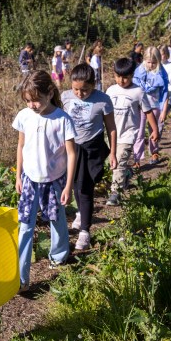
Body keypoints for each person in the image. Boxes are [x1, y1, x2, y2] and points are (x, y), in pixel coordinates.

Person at [13, 70, 77, 292]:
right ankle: (21, 278)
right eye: (28, 101)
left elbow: (71, 154)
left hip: (54, 181)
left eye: (36, 100)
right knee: (25, 226)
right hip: (30, 180)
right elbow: (21, 146)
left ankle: (58, 257)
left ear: (50, 93)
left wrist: (68, 185)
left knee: (57, 220)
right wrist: (18, 175)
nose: (32, 105)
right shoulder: (24, 116)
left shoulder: (62, 119)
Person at [61, 64, 116, 249]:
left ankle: (85, 231)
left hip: (91, 148)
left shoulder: (103, 100)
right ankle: (81, 213)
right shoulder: (65, 97)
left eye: (85, 89)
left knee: (85, 188)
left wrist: (114, 153)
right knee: (76, 184)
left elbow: (111, 128)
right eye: (76, 89)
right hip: (71, 148)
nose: (80, 93)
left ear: (94, 84)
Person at [106, 58, 158, 207]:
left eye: (125, 77)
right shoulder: (110, 90)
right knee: (111, 161)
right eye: (118, 76)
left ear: (132, 76)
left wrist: (155, 130)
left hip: (128, 134)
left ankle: (116, 192)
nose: (121, 80)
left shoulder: (138, 92)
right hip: (111, 134)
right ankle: (127, 174)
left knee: (120, 161)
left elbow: (148, 111)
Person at [132, 46, 166, 166]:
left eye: (154, 62)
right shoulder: (139, 71)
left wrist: (164, 109)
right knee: (139, 132)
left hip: (155, 105)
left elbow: (165, 91)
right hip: (141, 106)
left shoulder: (161, 72)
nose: (151, 65)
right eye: (149, 62)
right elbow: (134, 88)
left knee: (154, 130)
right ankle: (137, 158)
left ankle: (154, 151)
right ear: (144, 60)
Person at [159, 45, 171, 135]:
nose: (161, 56)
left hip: (167, 96)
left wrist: (167, 91)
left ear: (166, 55)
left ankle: (158, 135)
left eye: (162, 54)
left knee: (162, 117)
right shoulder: (155, 66)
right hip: (156, 96)